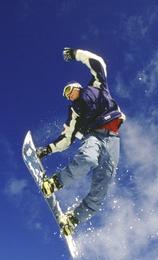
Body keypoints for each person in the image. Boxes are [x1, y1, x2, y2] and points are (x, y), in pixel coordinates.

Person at [36, 47, 125, 236]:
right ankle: (54, 183)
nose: (68, 95)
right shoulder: (75, 113)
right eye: (66, 95)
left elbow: (98, 62)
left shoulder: (97, 85)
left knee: (102, 187)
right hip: (95, 136)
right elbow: (67, 138)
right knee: (87, 159)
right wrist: (48, 150)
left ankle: (73, 219)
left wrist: (76, 53)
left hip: (114, 139)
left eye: (69, 91)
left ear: (77, 87)